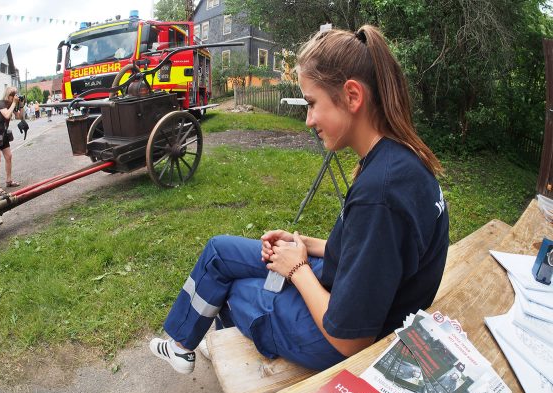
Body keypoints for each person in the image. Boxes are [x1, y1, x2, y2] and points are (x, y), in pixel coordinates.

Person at [149, 26, 450, 374]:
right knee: (220, 252)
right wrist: (305, 243)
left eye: (311, 103)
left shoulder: (380, 195)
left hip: (341, 338)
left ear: (352, 96)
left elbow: (349, 339)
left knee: (233, 289)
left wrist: (296, 268)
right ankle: (181, 346)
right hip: (349, 288)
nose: (308, 120)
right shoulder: (400, 159)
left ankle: (225, 348)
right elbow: (372, 252)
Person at [0, 86, 23, 195]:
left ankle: (9, 181)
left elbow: (20, 117)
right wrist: (14, 103)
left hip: (3, 134)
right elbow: (7, 114)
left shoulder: (10, 105)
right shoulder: (1, 103)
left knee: (8, 156)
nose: (14, 97)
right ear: (8, 96)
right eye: (13, 95)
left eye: (15, 95)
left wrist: (20, 105)